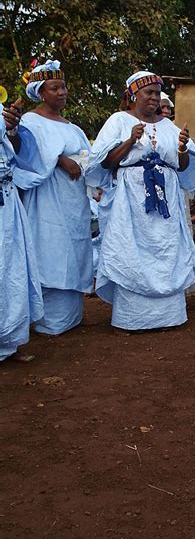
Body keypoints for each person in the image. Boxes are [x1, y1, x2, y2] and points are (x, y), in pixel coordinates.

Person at [87, 71, 195, 331]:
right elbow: (106, 163)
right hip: (131, 199)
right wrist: (130, 140)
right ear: (132, 95)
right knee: (132, 250)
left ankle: (169, 317)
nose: (154, 98)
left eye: (157, 93)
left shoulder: (167, 125)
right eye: (148, 93)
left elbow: (183, 166)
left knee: (166, 248)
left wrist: (183, 148)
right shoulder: (118, 120)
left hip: (166, 198)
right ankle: (132, 319)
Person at [12, 60, 94, 335]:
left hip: (73, 198)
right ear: (40, 92)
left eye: (63, 87)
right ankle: (46, 319)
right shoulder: (30, 121)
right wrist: (59, 160)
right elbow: (27, 153)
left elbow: (85, 154)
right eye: (54, 88)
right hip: (47, 197)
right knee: (50, 247)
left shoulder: (71, 126)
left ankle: (70, 316)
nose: (62, 92)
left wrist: (80, 164)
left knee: (75, 247)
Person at [0, 100, 43, 362]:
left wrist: (11, 130)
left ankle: (9, 342)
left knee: (11, 269)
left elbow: (16, 153)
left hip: (7, 200)